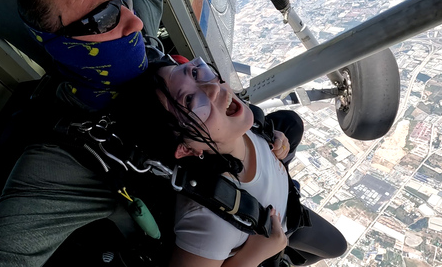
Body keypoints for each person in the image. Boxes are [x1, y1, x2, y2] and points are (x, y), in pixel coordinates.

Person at [0, 0, 166, 266]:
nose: (136, 24)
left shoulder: (147, 44)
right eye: (104, 17)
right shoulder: (63, 161)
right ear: (61, 44)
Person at [112, 56, 348, 266]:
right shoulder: (210, 223)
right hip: (271, 229)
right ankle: (284, 257)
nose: (213, 86)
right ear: (186, 149)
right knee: (336, 246)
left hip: (280, 198)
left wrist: (274, 141)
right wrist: (254, 256)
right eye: (190, 102)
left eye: (195, 72)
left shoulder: (242, 124)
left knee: (290, 123)